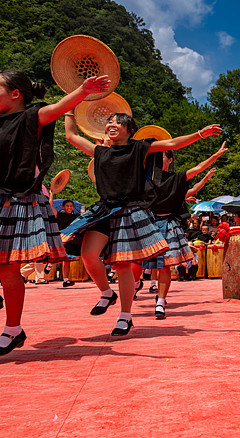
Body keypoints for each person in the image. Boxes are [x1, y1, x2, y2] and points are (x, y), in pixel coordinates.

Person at [62, 107, 221, 336]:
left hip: (129, 211)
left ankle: (125, 316)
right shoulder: (99, 151)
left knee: (123, 265)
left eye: (118, 121)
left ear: (130, 130)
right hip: (104, 209)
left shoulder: (139, 148)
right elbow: (71, 136)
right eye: (109, 122)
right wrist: (69, 110)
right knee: (88, 254)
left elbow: (172, 144)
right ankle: (107, 293)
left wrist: (199, 134)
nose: (111, 125)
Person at [0, 70, 110, 355]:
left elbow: (58, 108)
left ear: (16, 94)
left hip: (16, 198)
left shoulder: (30, 117)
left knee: (7, 267)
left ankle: (12, 329)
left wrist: (84, 90)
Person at [140, 143, 226, 319]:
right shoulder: (143, 177)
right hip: (146, 223)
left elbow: (198, 170)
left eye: (161, 155)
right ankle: (133, 288)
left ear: (170, 160)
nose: (156, 159)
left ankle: (161, 301)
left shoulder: (176, 179)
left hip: (167, 223)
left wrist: (215, 156)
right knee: (135, 265)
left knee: (164, 266)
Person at [54, 200, 81, 287]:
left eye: (71, 206)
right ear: (63, 207)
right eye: (67, 206)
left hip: (70, 240)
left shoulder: (76, 216)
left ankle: (66, 280)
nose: (69, 208)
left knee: (67, 261)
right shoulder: (59, 215)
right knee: (60, 255)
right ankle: (49, 264)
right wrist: (52, 194)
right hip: (61, 238)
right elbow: (51, 209)